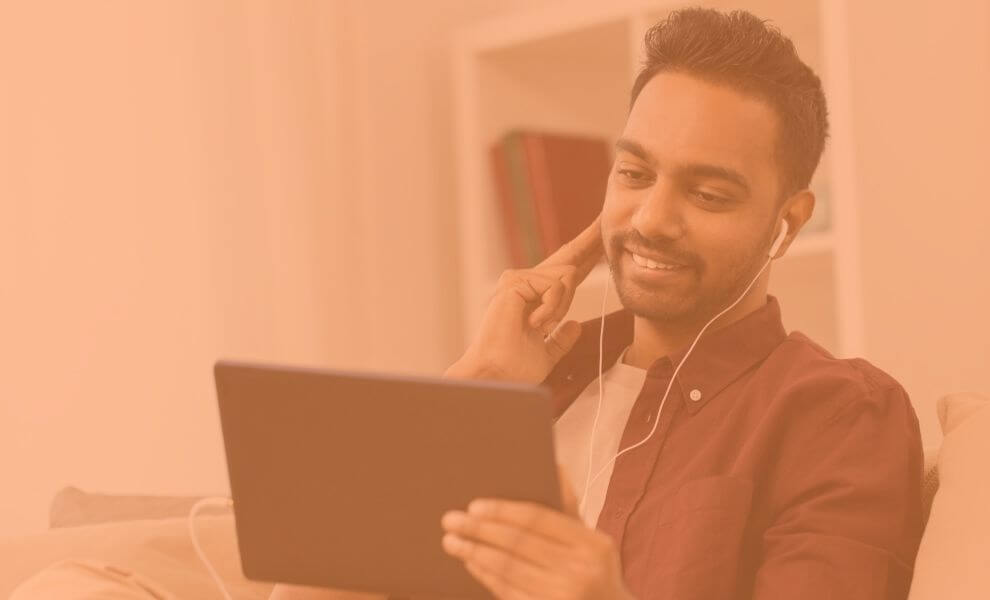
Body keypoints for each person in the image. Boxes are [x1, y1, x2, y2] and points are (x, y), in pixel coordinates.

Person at [272, 7, 923, 600]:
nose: (651, 220)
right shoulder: (533, 381)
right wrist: (482, 386)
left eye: (708, 194)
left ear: (788, 220)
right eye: (634, 174)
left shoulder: (838, 416)